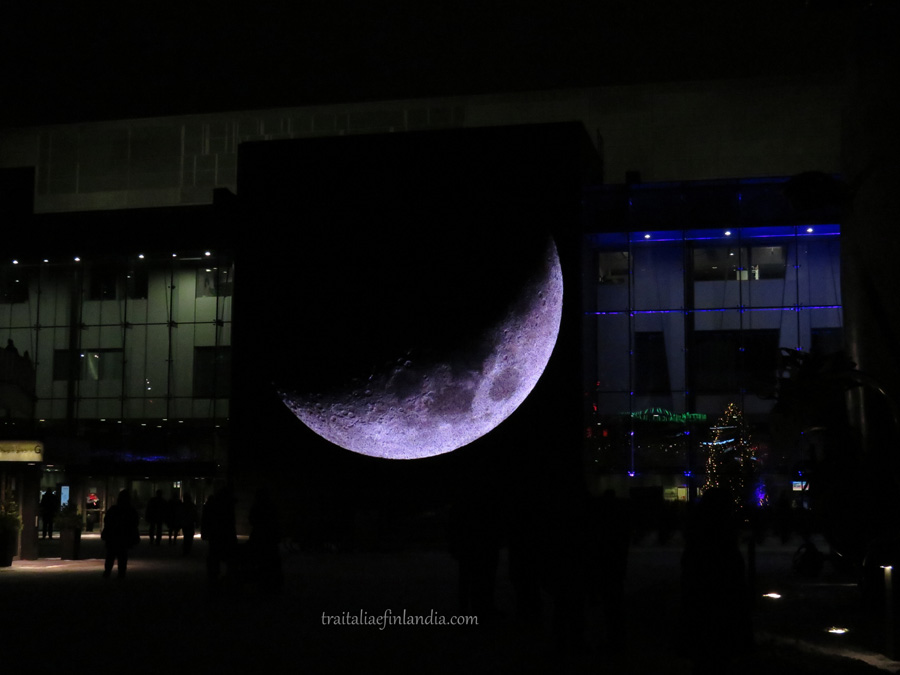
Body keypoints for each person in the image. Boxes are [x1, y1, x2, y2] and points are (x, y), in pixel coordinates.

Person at [681, 488, 754, 674]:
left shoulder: (698, 533)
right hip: (720, 601)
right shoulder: (724, 535)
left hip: (703, 602)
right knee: (718, 645)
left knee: (707, 645)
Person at [201, 482, 237, 591]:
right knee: (228, 557)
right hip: (226, 535)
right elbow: (231, 522)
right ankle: (228, 577)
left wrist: (205, 532)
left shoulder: (213, 505)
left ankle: (214, 577)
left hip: (216, 535)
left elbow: (206, 520)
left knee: (214, 556)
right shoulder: (228, 505)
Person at [101, 489, 140, 579]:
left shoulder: (113, 509)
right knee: (122, 555)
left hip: (113, 536)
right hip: (124, 536)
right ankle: (121, 573)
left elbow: (107, 521)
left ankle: (107, 572)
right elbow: (134, 523)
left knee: (110, 555)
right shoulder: (130, 510)